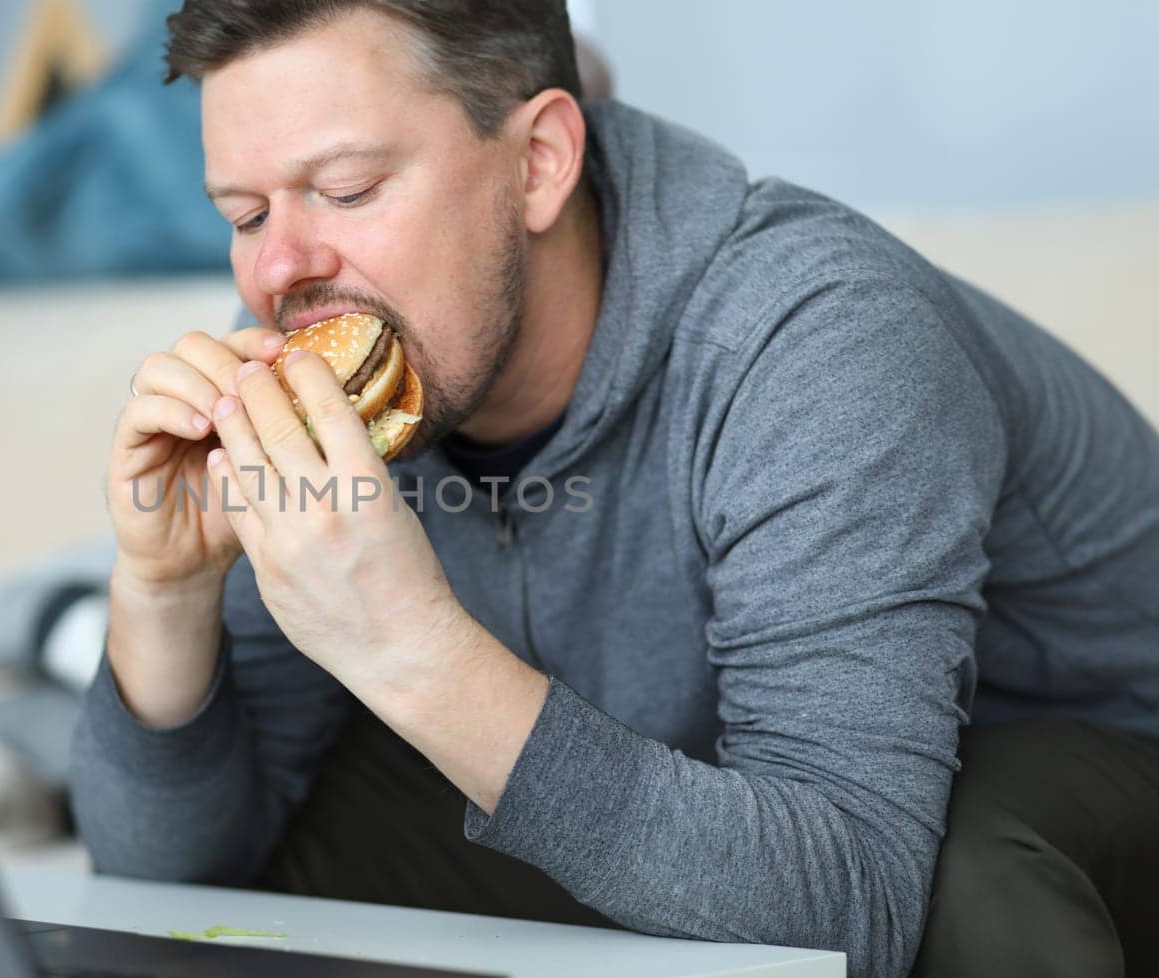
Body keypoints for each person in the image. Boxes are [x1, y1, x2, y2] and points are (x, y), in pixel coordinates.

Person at [70, 3, 1159, 977]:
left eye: (345, 189)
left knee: (971, 879)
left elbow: (854, 908)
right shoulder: (341, 356)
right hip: (698, 781)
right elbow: (164, 887)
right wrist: (165, 595)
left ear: (540, 160)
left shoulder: (817, 339)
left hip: (1075, 773)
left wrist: (407, 648)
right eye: (246, 214)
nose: (276, 274)